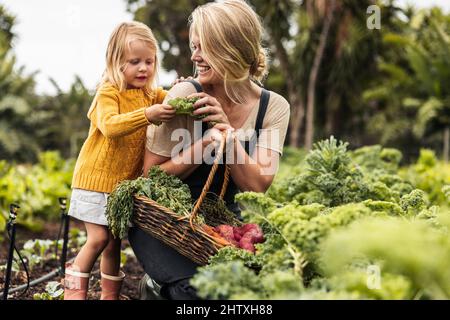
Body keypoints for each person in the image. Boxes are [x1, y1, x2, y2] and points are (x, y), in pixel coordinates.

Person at [129, 0, 290, 300]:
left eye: (203, 47)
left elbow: (257, 185)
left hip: (221, 223)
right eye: (194, 46)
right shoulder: (186, 95)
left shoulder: (273, 107)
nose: (194, 56)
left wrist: (228, 134)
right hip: (166, 221)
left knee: (257, 291)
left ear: (230, 48)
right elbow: (149, 177)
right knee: (197, 291)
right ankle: (153, 287)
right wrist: (205, 142)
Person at [64, 21, 175, 300]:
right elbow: (111, 125)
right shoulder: (108, 91)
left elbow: (172, 99)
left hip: (119, 190)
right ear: (116, 62)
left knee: (113, 245)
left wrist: (181, 87)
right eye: (134, 61)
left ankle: (108, 296)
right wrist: (148, 115)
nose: (143, 68)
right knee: (99, 239)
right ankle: (73, 294)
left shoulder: (150, 93)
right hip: (95, 181)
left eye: (149, 62)